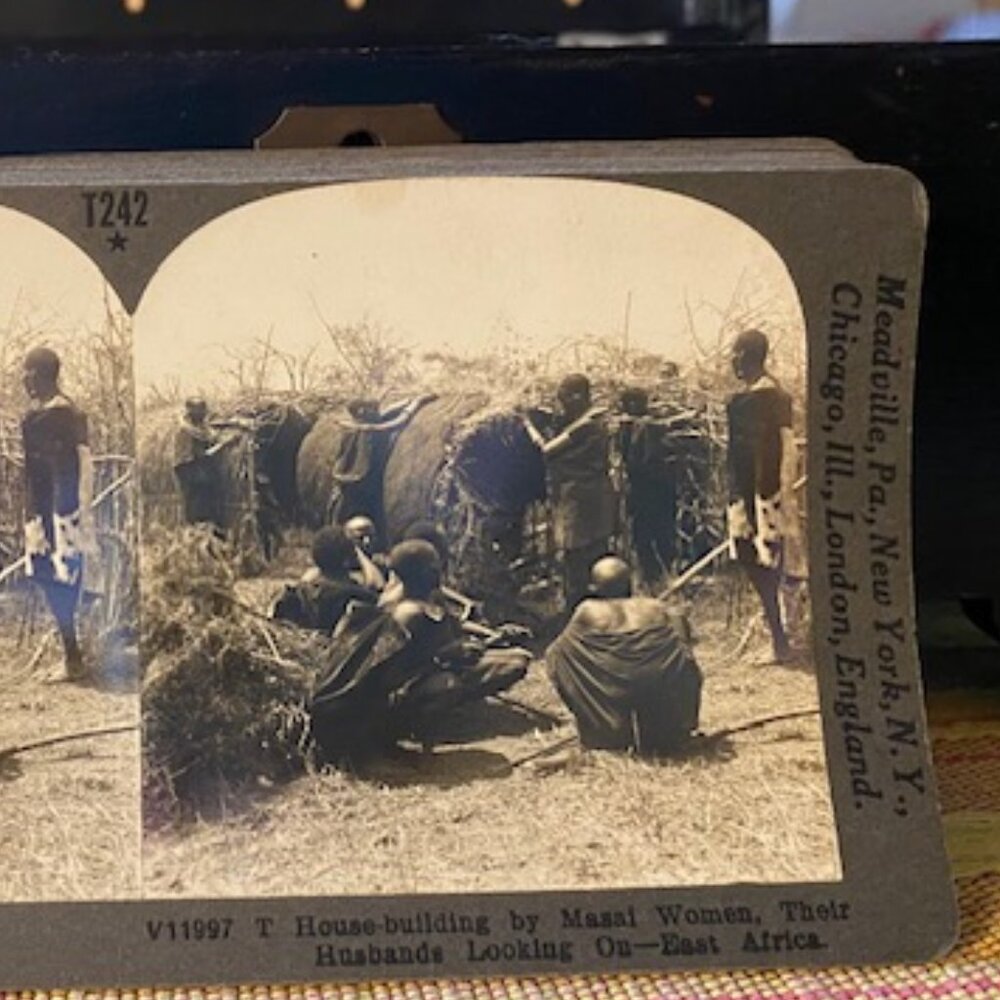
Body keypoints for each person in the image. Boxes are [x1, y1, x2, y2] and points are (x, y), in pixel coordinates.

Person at [310, 539, 528, 763]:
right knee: (447, 684)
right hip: (390, 700)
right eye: (432, 566)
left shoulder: (427, 597)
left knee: (517, 659)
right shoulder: (405, 613)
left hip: (431, 671)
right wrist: (443, 656)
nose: (439, 570)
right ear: (417, 573)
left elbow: (454, 624)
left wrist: (494, 636)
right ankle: (408, 736)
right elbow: (384, 675)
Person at [545, 555, 702, 755]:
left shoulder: (588, 610)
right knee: (682, 656)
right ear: (631, 583)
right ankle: (672, 727)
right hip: (657, 684)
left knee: (558, 657)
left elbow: (558, 652)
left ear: (594, 588)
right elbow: (683, 643)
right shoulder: (655, 606)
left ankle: (601, 729)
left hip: (611, 691)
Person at [20, 347, 96, 681]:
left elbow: (65, 469)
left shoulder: (49, 417)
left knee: (57, 580)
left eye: (27, 372)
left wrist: (54, 519)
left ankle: (72, 659)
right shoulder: (70, 413)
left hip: (57, 511)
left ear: (38, 374)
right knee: (57, 579)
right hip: (62, 510)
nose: (24, 380)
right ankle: (72, 654)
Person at [726, 329, 801, 663]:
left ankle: (780, 641)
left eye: (734, 352)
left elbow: (761, 455)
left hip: (758, 496)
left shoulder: (751, 402)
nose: (731, 360)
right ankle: (781, 636)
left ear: (744, 355)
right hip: (773, 495)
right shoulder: (778, 396)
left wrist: (755, 507)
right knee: (772, 563)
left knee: (760, 560)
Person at [522, 374, 617, 612]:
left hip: (581, 497)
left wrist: (528, 425)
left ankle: (579, 609)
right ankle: (599, 607)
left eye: (564, 397)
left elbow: (547, 450)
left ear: (578, 396)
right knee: (594, 552)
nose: (561, 403)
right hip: (595, 496)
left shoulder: (587, 424)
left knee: (577, 556)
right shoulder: (591, 419)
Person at [329, 395, 432, 546]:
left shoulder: (356, 427)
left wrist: (409, 400)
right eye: (372, 409)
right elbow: (398, 421)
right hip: (363, 481)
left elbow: (387, 412)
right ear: (362, 412)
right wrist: (416, 403)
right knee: (364, 519)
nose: (376, 412)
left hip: (353, 482)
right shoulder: (371, 430)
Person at [618, 386, 679, 587]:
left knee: (660, 531)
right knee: (643, 533)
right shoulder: (626, 427)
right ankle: (650, 575)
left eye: (635, 402)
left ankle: (664, 573)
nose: (631, 408)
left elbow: (646, 459)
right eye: (628, 404)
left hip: (656, 488)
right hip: (641, 489)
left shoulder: (653, 425)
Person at [272, 524, 377, 633]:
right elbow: (378, 585)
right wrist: (360, 554)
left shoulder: (294, 595)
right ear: (348, 559)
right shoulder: (358, 597)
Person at [173, 397, 230, 531]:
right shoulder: (186, 431)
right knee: (200, 504)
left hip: (196, 470)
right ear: (192, 412)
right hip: (191, 471)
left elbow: (209, 435)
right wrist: (223, 445)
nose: (203, 414)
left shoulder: (198, 428)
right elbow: (204, 454)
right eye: (200, 411)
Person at [343, 514, 387, 591]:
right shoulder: (342, 570)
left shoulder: (384, 565)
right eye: (360, 538)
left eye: (371, 536)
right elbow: (373, 584)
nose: (367, 541)